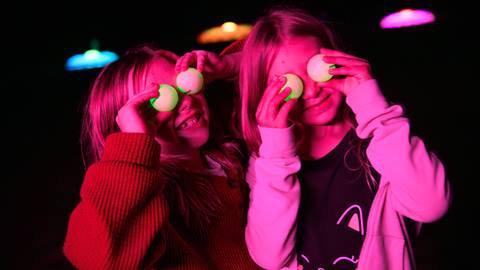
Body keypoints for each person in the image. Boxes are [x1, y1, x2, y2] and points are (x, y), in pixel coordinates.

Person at [235, 7, 452, 270]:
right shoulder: (269, 164)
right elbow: (270, 258)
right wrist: (276, 151)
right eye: (291, 82)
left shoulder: (383, 136)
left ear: (338, 58)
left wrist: (374, 109)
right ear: (265, 94)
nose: (313, 91)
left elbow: (432, 205)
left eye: (316, 69)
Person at [63, 44, 261, 269]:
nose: (185, 101)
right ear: (127, 126)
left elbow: (280, 53)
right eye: (160, 100)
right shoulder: (151, 204)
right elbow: (97, 260)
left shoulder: (232, 144)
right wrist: (134, 147)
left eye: (183, 85)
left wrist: (228, 66)